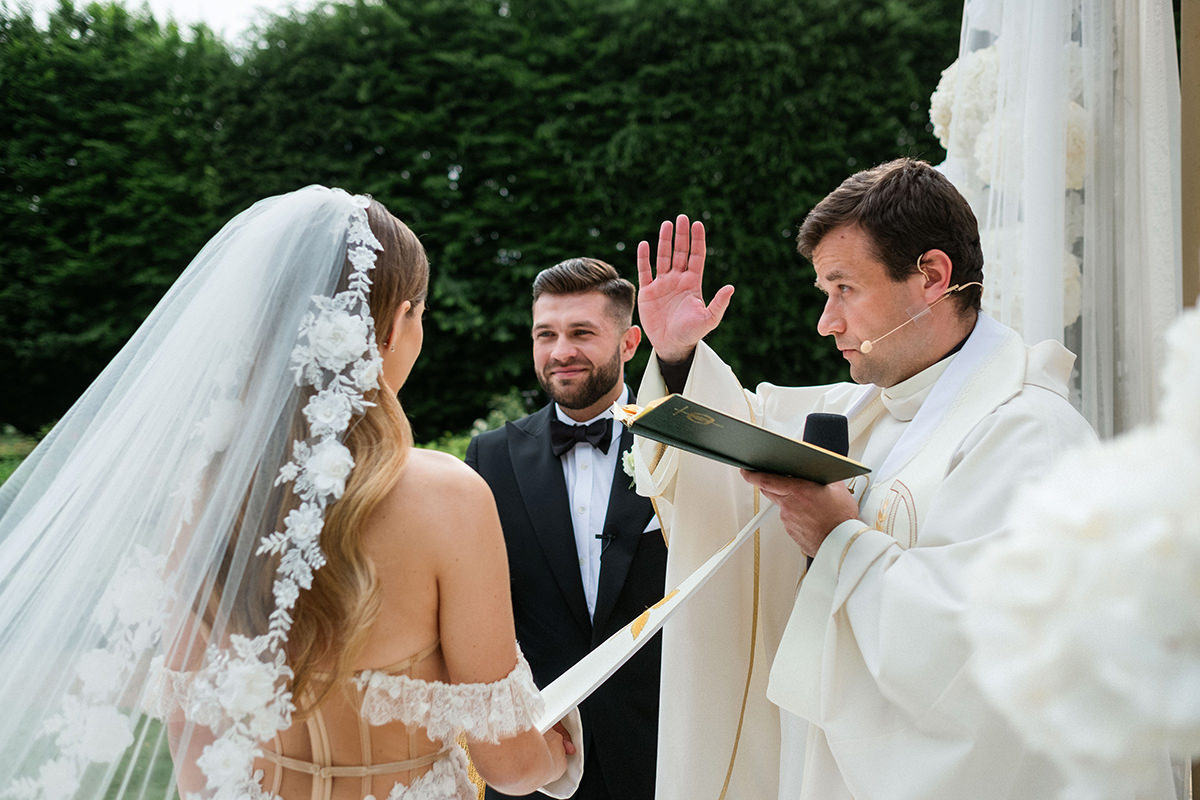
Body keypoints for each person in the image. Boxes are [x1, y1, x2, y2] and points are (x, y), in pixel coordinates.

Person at [0, 186, 579, 800]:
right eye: (421, 317)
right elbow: (508, 764)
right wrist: (558, 754)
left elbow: (193, 746)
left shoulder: (207, 495)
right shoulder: (448, 497)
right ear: (395, 324)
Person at [632, 158, 1175, 799]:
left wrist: (838, 540)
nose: (826, 322)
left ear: (932, 277)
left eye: (845, 289)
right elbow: (743, 431)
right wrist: (678, 356)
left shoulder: (1030, 435)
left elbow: (982, 654)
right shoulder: (865, 409)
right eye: (825, 293)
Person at [466, 258, 666, 800]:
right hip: (541, 754)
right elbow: (478, 607)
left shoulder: (676, 445)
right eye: (545, 335)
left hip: (661, 748)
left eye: (581, 333)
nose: (560, 352)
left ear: (629, 343)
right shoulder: (490, 457)